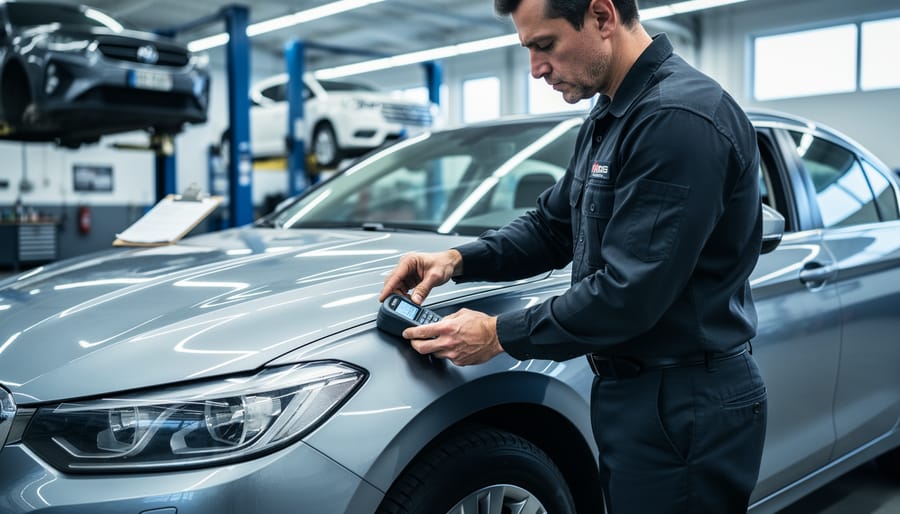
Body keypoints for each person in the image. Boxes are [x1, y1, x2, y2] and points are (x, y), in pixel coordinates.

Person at [379, 0, 767, 511]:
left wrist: (498, 335)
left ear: (602, 17)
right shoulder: (611, 114)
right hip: (642, 396)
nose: (536, 68)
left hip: (682, 402)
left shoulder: (677, 119)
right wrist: (455, 259)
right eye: (529, 49)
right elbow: (551, 226)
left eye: (546, 45)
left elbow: (630, 295)